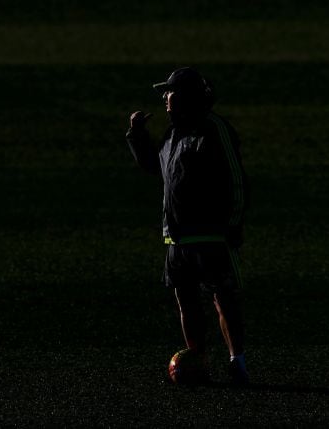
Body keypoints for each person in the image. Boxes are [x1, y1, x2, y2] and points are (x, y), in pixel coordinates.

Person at [125, 67, 249, 384]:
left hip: (211, 235)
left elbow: (235, 179)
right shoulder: (172, 133)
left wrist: (232, 224)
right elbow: (155, 167)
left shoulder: (213, 129)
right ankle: (200, 361)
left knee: (223, 297)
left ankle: (238, 362)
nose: (165, 98)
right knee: (187, 301)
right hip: (176, 238)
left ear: (189, 96)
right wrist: (137, 136)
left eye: (171, 92)